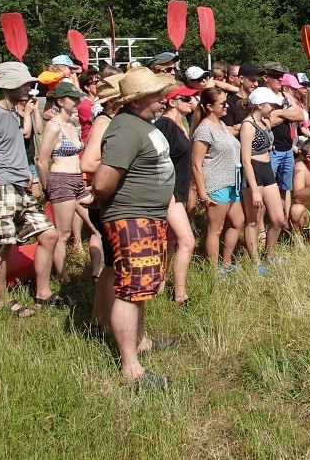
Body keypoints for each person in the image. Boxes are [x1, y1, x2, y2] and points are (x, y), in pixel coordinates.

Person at [92, 67, 176, 389]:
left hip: (147, 217)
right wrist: (102, 202)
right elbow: (103, 181)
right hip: (131, 218)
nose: (162, 100)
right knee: (131, 290)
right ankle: (131, 369)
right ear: (137, 101)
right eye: (156, 95)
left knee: (141, 287)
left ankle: (141, 343)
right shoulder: (125, 129)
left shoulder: (141, 124)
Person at [0, 62, 61, 317]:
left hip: (20, 186)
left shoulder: (12, 112)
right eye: (24, 84)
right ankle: (1, 303)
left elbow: (15, 147)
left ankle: (43, 293)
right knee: (3, 246)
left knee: (48, 235)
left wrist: (27, 175)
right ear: (8, 86)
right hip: (0, 187)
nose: (30, 88)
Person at [36, 82, 102, 284]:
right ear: (60, 101)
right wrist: (47, 188)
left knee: (97, 226)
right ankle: (63, 276)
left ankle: (95, 272)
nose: (76, 102)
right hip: (60, 179)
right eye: (72, 99)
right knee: (63, 234)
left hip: (78, 180)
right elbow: (41, 161)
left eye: (77, 98)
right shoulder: (53, 126)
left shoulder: (72, 124)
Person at [80, 73, 124, 337]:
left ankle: (98, 321)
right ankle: (101, 323)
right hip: (104, 202)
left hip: (108, 200)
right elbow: (87, 164)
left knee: (110, 266)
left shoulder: (111, 121)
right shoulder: (104, 122)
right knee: (113, 268)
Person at [192, 87, 246, 274]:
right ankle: (214, 270)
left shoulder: (221, 125)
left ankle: (227, 263)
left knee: (238, 221)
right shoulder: (204, 130)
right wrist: (202, 193)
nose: (227, 106)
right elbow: (197, 165)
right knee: (216, 228)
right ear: (209, 106)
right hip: (216, 183)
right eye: (222, 103)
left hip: (232, 182)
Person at [155, 82, 198, 305]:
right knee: (187, 241)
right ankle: (180, 295)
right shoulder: (165, 125)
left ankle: (160, 284)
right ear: (172, 102)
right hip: (168, 192)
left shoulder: (181, 124)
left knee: (171, 240)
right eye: (186, 99)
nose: (191, 101)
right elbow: (157, 161)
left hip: (179, 191)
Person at [240, 87, 287, 266]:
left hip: (267, 170)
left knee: (278, 218)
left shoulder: (265, 122)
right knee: (252, 221)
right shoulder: (247, 125)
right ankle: (256, 261)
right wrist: (254, 190)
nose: (273, 108)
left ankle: (268, 254)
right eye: (271, 105)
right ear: (260, 105)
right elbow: (245, 160)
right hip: (254, 171)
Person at [262, 62, 304, 222]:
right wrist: (286, 113)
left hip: (287, 148)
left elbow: (300, 115)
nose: (280, 79)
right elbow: (266, 123)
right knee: (267, 188)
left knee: (285, 188)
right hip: (271, 149)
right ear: (266, 77)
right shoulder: (262, 96)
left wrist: (279, 113)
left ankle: (283, 221)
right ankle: (265, 222)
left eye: (281, 76)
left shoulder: (286, 96)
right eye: (275, 75)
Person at [223, 62, 262, 138]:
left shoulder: (259, 102)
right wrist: (247, 127)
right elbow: (229, 132)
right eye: (252, 80)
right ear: (241, 79)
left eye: (257, 81)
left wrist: (239, 126)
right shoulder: (230, 103)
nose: (256, 84)